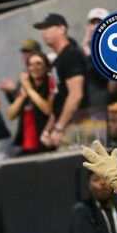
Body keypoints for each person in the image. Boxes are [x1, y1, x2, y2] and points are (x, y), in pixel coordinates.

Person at [34, 13, 86, 148]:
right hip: (70, 124)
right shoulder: (59, 60)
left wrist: (59, 127)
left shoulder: (71, 54)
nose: (43, 32)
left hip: (81, 122)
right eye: (42, 29)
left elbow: (76, 94)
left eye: (47, 27)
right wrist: (48, 129)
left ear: (62, 28)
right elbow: (60, 98)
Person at [7, 52, 54, 155]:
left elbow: (48, 110)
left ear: (46, 66)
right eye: (31, 65)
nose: (34, 67)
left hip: (44, 143)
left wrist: (29, 89)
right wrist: (23, 95)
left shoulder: (50, 83)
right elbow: (10, 114)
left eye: (38, 64)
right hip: (26, 146)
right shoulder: (26, 88)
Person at [81, 8, 110, 110]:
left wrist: (89, 55)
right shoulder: (82, 49)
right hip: (86, 108)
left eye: (100, 23)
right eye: (93, 23)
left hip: (106, 106)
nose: (96, 26)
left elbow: (103, 76)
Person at [0, 38, 43, 102]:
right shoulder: (23, 74)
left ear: (38, 54)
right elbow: (17, 103)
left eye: (27, 52)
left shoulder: (42, 72)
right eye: (23, 52)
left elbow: (34, 99)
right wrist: (8, 91)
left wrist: (13, 90)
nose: (24, 55)